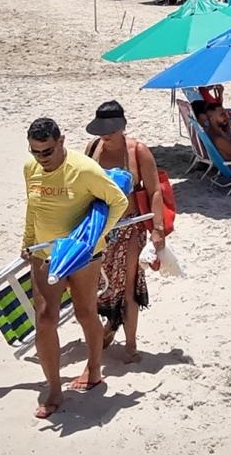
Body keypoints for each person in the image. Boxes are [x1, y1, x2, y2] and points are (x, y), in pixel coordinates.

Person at [21, 117, 130, 418]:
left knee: (85, 312)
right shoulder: (31, 169)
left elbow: (118, 202)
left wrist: (95, 237)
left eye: (47, 151)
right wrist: (27, 240)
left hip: (84, 257)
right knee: (45, 319)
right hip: (45, 254)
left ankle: (94, 370)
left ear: (62, 141)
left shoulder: (84, 169)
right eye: (35, 152)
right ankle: (54, 388)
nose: (41, 159)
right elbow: (32, 207)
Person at [84, 101, 165, 362]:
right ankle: (108, 326)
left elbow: (154, 191)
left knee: (128, 286)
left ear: (121, 127)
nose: (105, 135)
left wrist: (157, 230)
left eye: (110, 129)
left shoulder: (137, 151)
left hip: (130, 226)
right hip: (99, 227)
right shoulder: (92, 148)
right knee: (99, 284)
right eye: (102, 130)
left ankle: (130, 346)